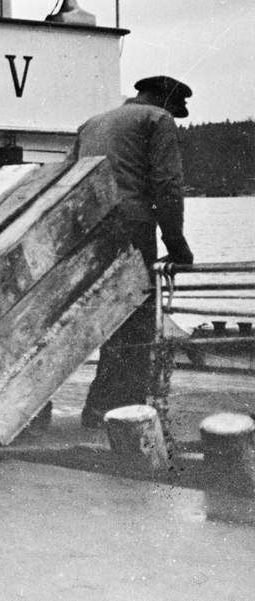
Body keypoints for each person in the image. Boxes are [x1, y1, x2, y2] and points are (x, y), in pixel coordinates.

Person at [71, 75, 194, 428]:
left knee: (111, 318)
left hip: (90, 229)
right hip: (132, 227)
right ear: (163, 99)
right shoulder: (157, 118)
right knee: (137, 323)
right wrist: (177, 247)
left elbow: (69, 178)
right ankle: (119, 415)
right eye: (176, 106)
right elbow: (167, 185)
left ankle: (98, 409)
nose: (175, 114)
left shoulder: (91, 124)